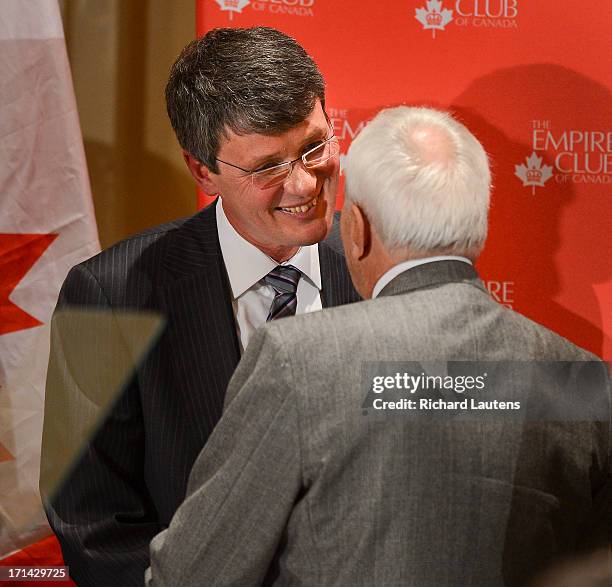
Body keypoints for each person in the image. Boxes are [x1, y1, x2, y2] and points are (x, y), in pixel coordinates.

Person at [147, 106, 611, 586]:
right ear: (480, 226)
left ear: (358, 229)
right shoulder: (582, 380)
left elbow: (193, 574)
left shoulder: (300, 361)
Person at [40, 27, 359, 586]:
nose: (305, 183)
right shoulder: (110, 296)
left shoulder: (383, 268)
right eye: (267, 167)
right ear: (202, 171)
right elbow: (92, 520)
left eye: (314, 146)